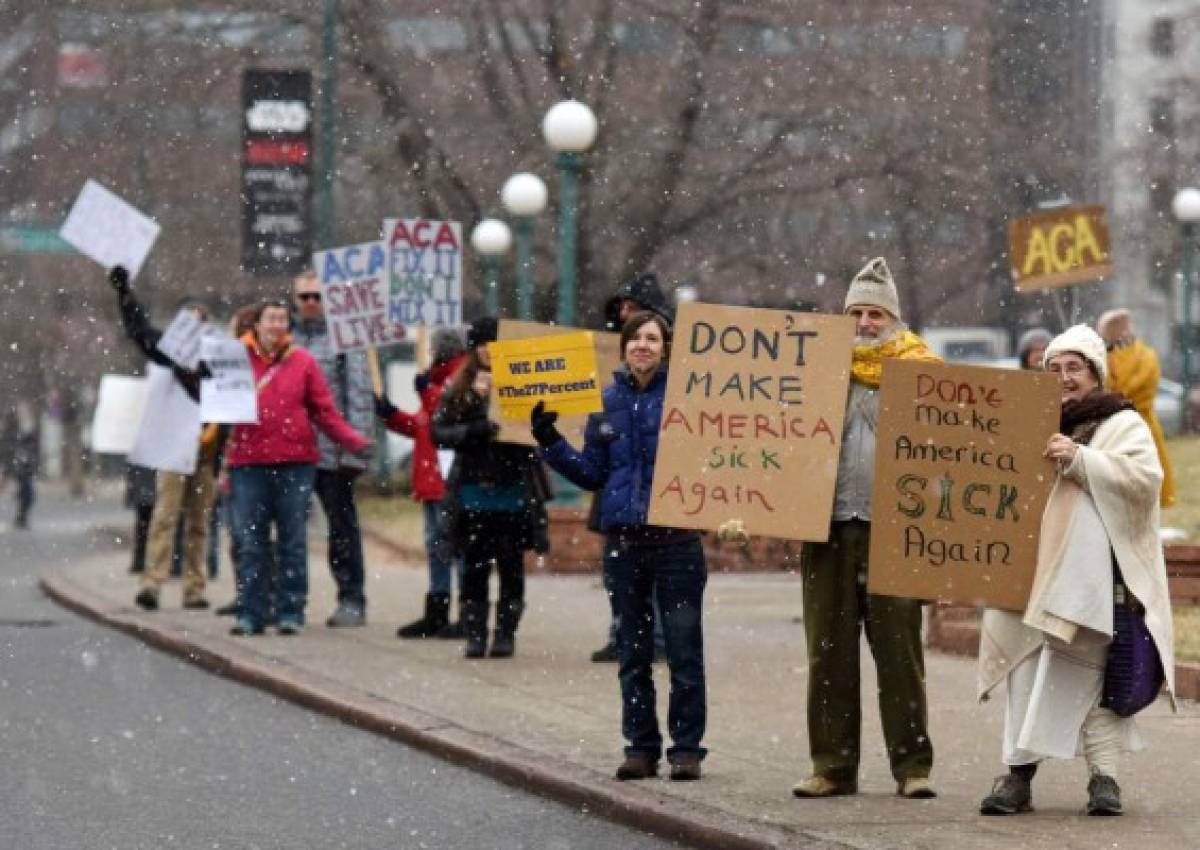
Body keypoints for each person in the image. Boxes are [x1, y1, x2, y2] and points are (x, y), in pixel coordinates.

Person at [977, 324, 1176, 817]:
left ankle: (1104, 780)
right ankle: (1016, 779)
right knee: (1024, 674)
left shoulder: (1121, 422)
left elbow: (1145, 481)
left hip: (1093, 580)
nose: (1065, 378)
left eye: (1075, 368)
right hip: (1027, 576)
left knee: (1091, 678)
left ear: (1094, 373)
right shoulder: (1025, 421)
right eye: (1054, 368)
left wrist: (1082, 459)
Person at [533, 310, 708, 782]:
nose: (643, 346)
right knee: (632, 653)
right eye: (635, 339)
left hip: (678, 544)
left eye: (652, 339)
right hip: (624, 545)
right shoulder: (604, 403)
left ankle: (687, 749)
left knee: (684, 651)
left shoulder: (689, 400)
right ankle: (640, 747)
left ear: (666, 347)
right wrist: (549, 440)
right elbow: (591, 472)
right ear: (624, 347)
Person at [792, 257, 940, 800]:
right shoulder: (814, 372)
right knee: (827, 653)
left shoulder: (925, 374)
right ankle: (831, 766)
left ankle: (913, 767)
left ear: (893, 320)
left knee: (900, 654)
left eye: (876, 312)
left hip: (894, 534)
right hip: (827, 529)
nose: (866, 321)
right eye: (857, 311)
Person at [225, 300, 369, 636]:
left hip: (296, 463)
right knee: (251, 541)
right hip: (249, 463)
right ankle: (251, 612)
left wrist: (352, 440)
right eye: (269, 319)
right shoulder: (235, 361)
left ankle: (291, 611)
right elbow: (215, 402)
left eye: (281, 320)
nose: (276, 325)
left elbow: (324, 410)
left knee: (292, 540)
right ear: (256, 325)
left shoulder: (302, 361)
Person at [431, 316, 548, 659]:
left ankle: (505, 634)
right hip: (472, 494)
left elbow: (536, 436)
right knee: (474, 568)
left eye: (494, 345)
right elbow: (439, 433)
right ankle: (475, 634)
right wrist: (473, 423)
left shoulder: (523, 385)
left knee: (512, 567)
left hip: (513, 492)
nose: (487, 351)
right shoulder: (459, 389)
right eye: (482, 344)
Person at [109, 266, 221, 611]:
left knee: (200, 523)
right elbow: (139, 330)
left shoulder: (216, 357)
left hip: (207, 449)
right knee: (166, 516)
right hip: (174, 448)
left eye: (200, 319)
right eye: (188, 319)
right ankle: (153, 584)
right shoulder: (167, 353)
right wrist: (125, 294)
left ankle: (194, 587)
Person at [589, 271, 673, 664]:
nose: (625, 314)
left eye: (634, 309)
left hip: (659, 494)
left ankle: (653, 637)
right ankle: (624, 633)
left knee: (656, 572)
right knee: (620, 573)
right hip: (619, 487)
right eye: (622, 309)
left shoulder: (673, 382)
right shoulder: (608, 370)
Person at [291, 271, 376, 627]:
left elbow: (358, 394)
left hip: (332, 452)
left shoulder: (346, 340)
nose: (311, 303)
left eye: (318, 296)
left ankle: (352, 597)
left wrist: (356, 448)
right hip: (290, 449)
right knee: (283, 527)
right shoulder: (284, 338)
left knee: (341, 528)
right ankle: (281, 599)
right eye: (305, 297)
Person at [375, 326, 468, 639]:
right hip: (433, 479)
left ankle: (466, 612)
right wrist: (392, 415)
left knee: (452, 547)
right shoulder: (436, 379)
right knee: (438, 546)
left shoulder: (458, 378)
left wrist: (426, 392)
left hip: (449, 478)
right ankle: (439, 610)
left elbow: (447, 416)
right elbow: (423, 428)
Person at [1096, 309, 1176, 508]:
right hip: (1126, 430)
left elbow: (1121, 392)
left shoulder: (1142, 357)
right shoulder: (1103, 357)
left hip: (1132, 429)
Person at [1, 402, 38, 529]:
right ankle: (21, 517)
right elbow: (7, 451)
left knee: (26, 494)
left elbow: (31, 447)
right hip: (19, 467)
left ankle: (21, 517)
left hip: (24, 467)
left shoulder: (24, 431)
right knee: (25, 494)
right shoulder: (11, 432)